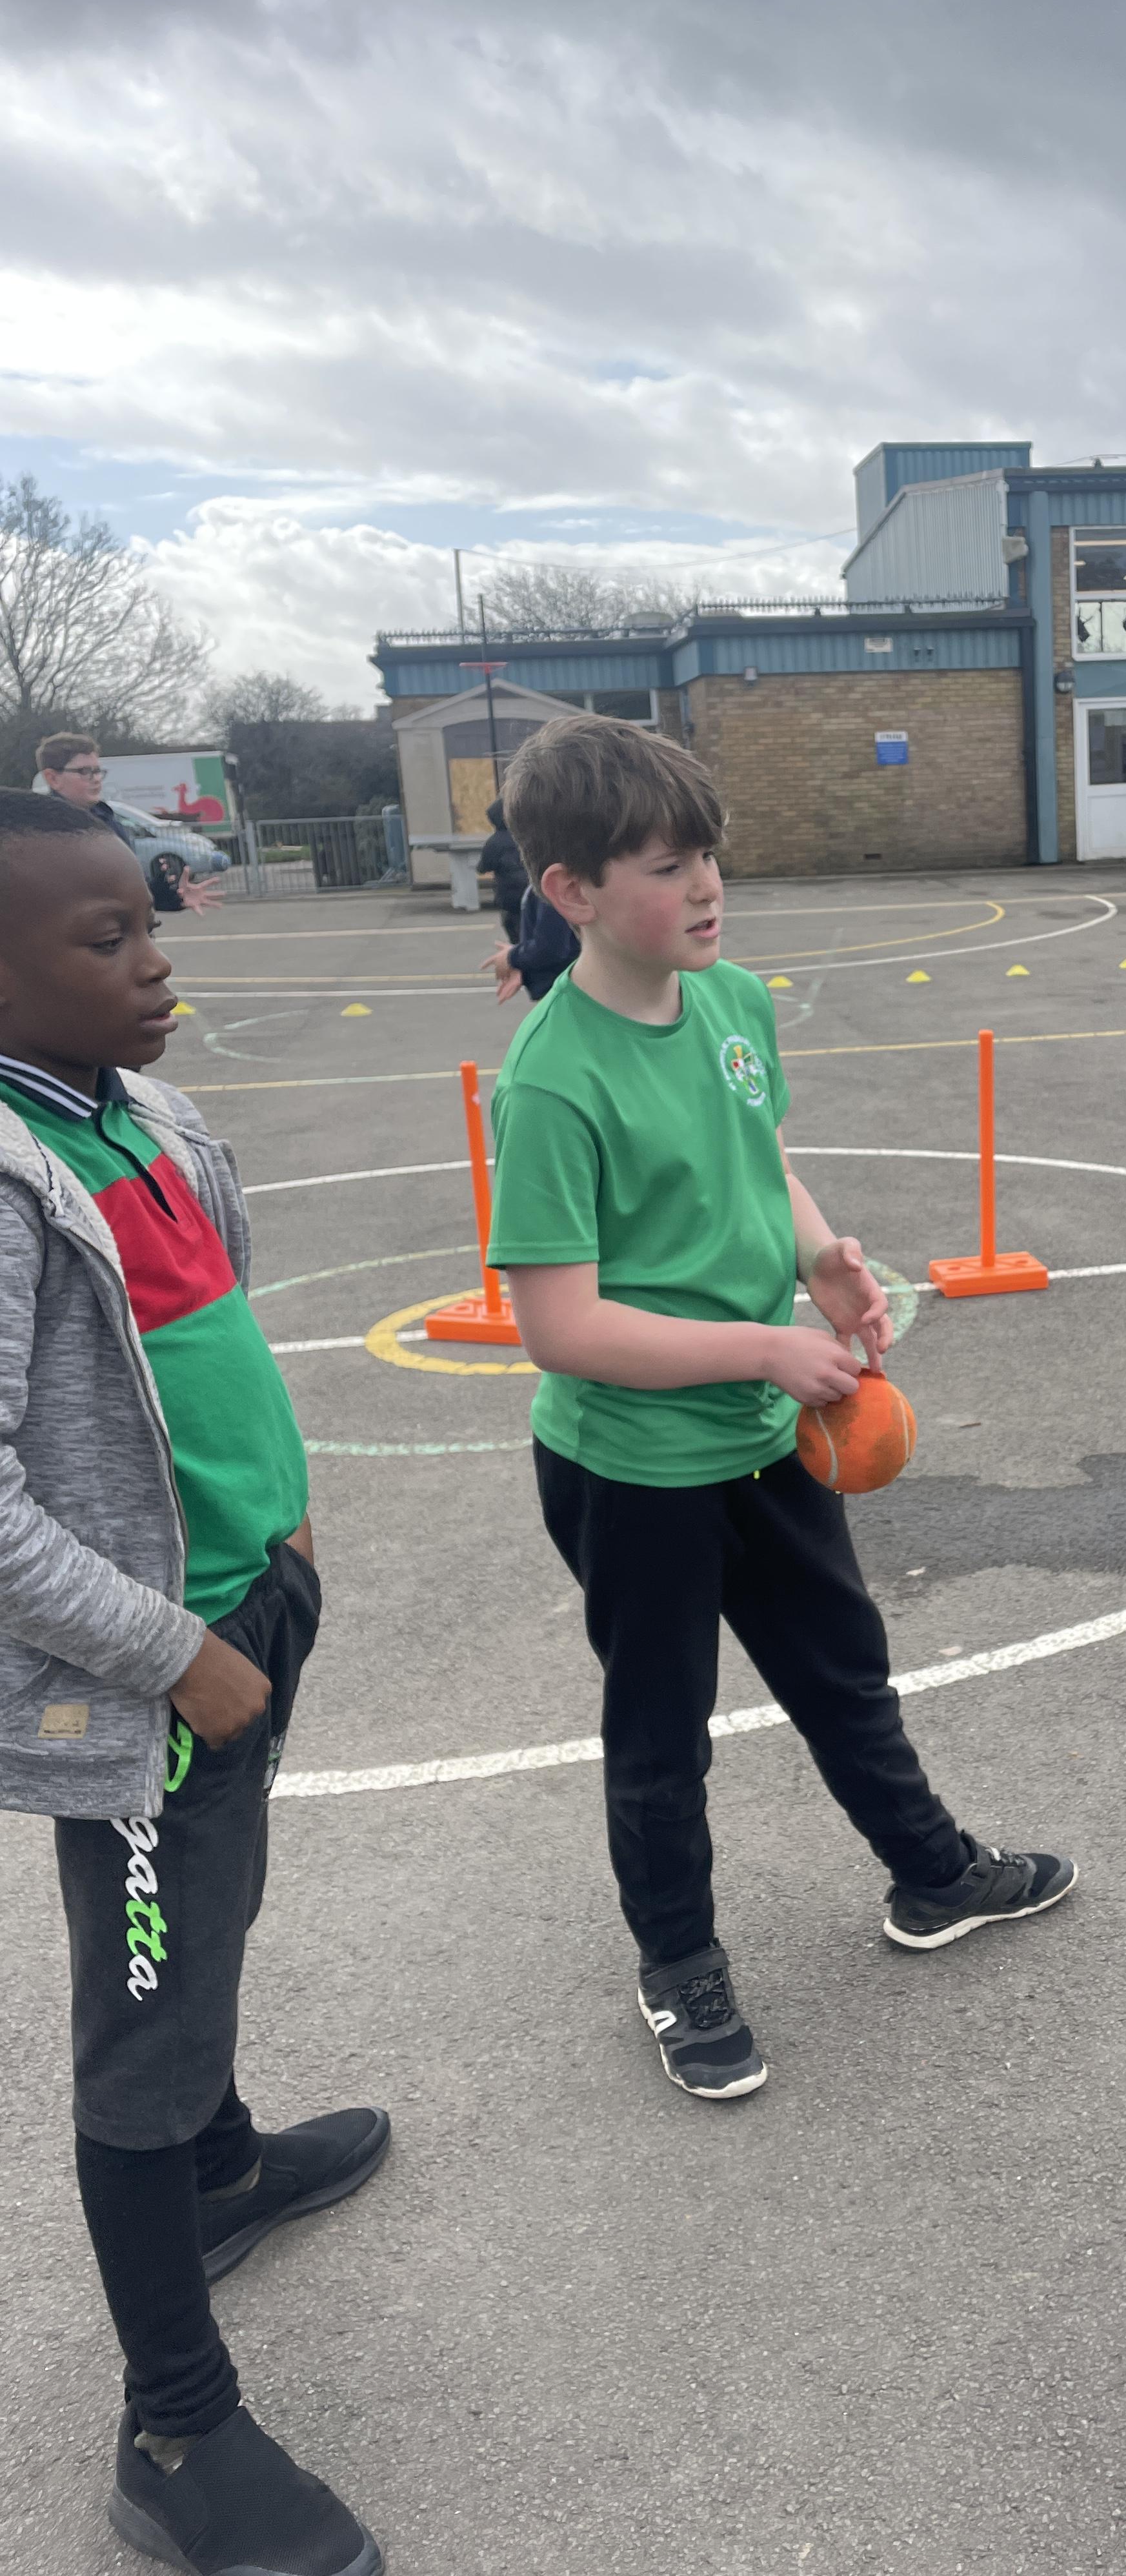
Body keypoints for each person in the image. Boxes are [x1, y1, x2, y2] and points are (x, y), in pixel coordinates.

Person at [487, 714, 1076, 2100]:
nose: (705, 888)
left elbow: (763, 1160)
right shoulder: (552, 1079)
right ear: (571, 891)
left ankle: (933, 1876)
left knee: (840, 1671)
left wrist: (821, 1257)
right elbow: (561, 1326)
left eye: (710, 857)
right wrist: (762, 1346)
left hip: (766, 1442)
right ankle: (678, 1962)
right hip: (635, 1467)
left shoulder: (734, 1004)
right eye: (665, 867)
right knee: (661, 1730)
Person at [0, 790, 386, 2575]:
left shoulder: (139, 1116)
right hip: (149, 1679)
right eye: (110, 939)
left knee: (214, 1928)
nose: (159, 964)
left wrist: (279, 1540)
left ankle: (224, 2169)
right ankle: (175, 2429)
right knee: (141, 2034)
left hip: (246, 1609)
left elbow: (205, 1344)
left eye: (155, 923)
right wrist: (176, 1658)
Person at [35, 732, 225, 916]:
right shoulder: (42, 833)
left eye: (98, 771)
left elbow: (126, 890)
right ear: (53, 778)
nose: (97, 779)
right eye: (85, 772)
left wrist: (172, 896)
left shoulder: (108, 821)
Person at [481, 872, 579, 1006]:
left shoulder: (550, 885)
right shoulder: (545, 883)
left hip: (563, 991)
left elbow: (550, 947)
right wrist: (521, 965)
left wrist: (513, 957)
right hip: (561, 989)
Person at [475, 794, 527, 945]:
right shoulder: (526, 836)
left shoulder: (494, 842)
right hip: (530, 890)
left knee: (514, 931)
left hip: (508, 895)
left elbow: (483, 867)